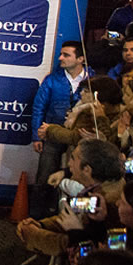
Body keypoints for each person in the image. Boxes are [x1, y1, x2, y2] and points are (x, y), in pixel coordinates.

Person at [32, 40, 94, 216]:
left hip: (78, 138)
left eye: (66, 55)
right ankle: (37, 217)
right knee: (44, 178)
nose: (60, 58)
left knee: (76, 178)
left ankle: (67, 217)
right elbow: (39, 107)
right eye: (61, 54)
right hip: (51, 136)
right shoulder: (53, 79)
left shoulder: (93, 79)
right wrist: (37, 136)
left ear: (81, 58)